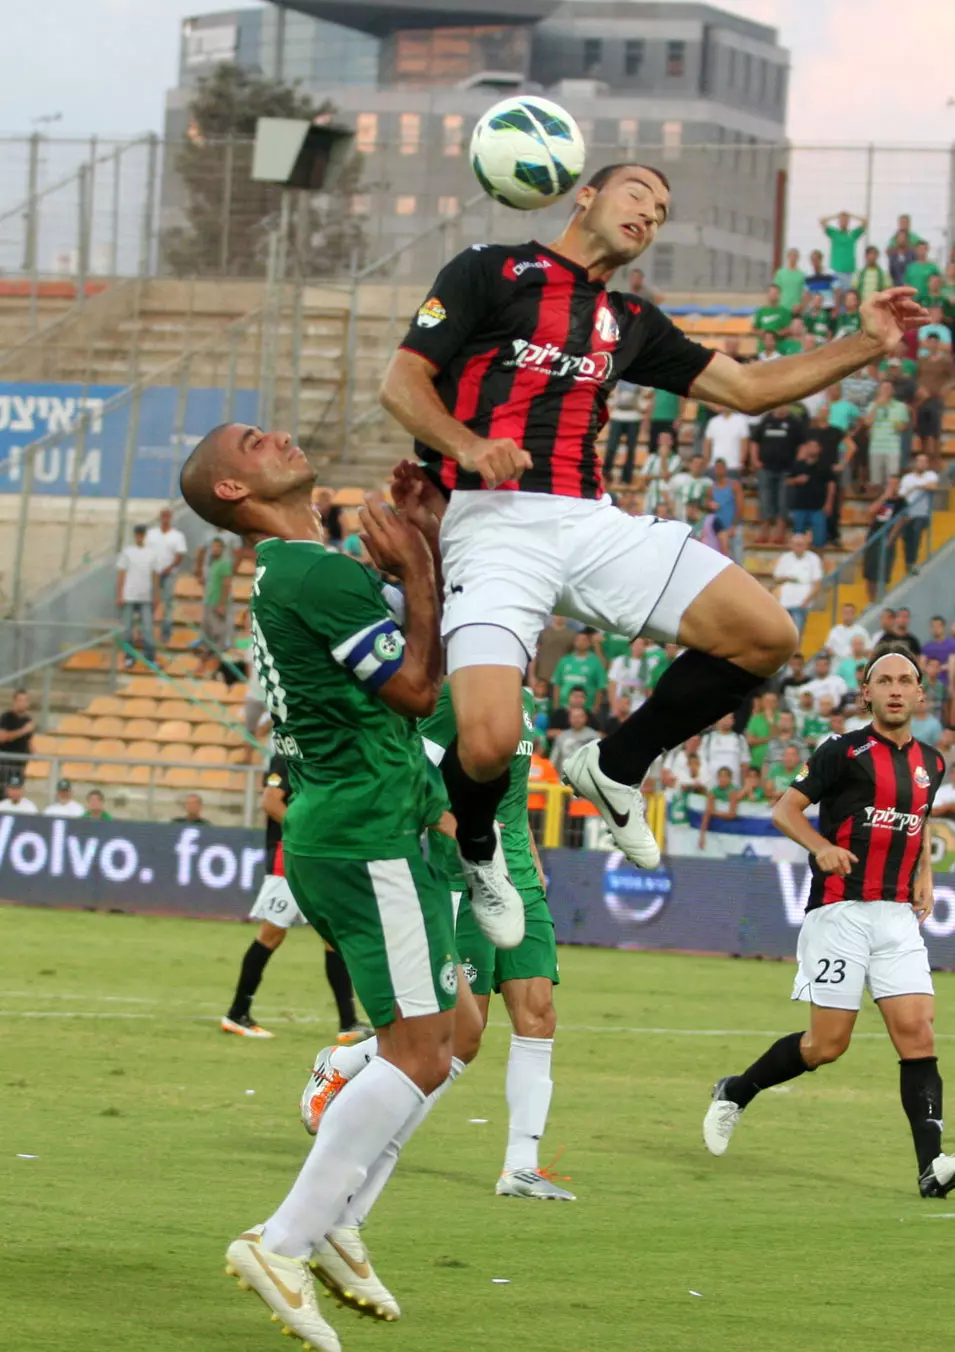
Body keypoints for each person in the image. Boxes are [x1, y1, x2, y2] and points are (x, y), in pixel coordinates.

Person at [378, 158, 923, 890]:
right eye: (638, 193)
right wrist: (467, 446)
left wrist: (864, 344)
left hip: (592, 523)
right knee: (486, 744)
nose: (650, 213)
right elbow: (402, 382)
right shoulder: (490, 271)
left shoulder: (629, 322)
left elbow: (747, 388)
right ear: (586, 195)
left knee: (767, 636)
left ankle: (612, 765)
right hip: (494, 524)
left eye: (662, 210)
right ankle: (477, 846)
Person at [180, 423, 488, 1349]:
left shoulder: (301, 574)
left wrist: (412, 567)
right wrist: (422, 574)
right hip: (363, 830)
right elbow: (415, 688)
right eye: (250, 441)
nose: (272, 434)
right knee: (421, 1050)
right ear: (234, 490)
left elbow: (395, 680)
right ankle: (282, 1240)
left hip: (370, 818)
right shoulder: (312, 572)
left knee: (458, 1031)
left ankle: (339, 1217)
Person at [702, 646, 955, 1201]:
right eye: (882, 680)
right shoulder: (842, 750)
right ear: (865, 694)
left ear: (919, 693)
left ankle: (931, 1166)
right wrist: (819, 847)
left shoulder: (932, 762)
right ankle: (737, 1090)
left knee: (918, 1034)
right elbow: (783, 809)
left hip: (896, 917)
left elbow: (917, 823)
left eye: (904, 680)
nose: (893, 688)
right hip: (839, 912)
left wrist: (924, 874)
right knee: (827, 1045)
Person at [221, 754, 369, 1045]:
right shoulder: (287, 756)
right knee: (271, 934)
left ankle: (348, 1022)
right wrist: (311, 832)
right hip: (288, 858)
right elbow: (271, 802)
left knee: (333, 936)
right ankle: (237, 1013)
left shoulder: (321, 753)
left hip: (317, 858)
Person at [750, 405, 804, 543]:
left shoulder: (794, 422)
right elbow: (755, 441)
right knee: (765, 500)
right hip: (766, 469)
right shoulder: (765, 421)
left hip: (786, 470)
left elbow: (803, 444)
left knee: (783, 501)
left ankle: (780, 533)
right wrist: (755, 460)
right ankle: (764, 531)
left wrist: (797, 463)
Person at [116, 524, 158, 667]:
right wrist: (120, 594)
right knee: (127, 629)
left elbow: (155, 575)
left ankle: (150, 657)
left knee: (147, 627)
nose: (140, 536)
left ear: (144, 535)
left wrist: (156, 595)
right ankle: (129, 657)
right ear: (135, 535)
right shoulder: (127, 552)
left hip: (145, 596)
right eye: (138, 534)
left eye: (142, 534)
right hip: (129, 595)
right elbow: (121, 574)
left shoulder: (151, 553)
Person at [145, 507, 188, 646]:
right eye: (163, 516)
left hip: (169, 575)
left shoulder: (177, 536)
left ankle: (165, 633)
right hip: (152, 574)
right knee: (150, 603)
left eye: (167, 516)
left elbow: (180, 555)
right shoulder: (151, 534)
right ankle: (147, 633)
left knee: (167, 604)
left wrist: (168, 569)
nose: (165, 519)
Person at [863, 476, 906, 602]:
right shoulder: (881, 498)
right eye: (890, 484)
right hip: (873, 537)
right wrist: (884, 497)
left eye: (895, 484)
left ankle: (881, 599)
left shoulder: (902, 502)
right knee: (869, 572)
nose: (892, 486)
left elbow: (901, 521)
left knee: (883, 571)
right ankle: (871, 601)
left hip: (887, 539)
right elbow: (870, 512)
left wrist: (890, 539)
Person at [773, 532, 823, 638]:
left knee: (796, 635)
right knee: (782, 635)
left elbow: (817, 584)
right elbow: (777, 578)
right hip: (784, 603)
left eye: (801, 545)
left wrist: (806, 602)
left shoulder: (813, 559)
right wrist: (790, 578)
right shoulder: (785, 558)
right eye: (796, 544)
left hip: (801, 603)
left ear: (806, 545)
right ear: (791, 545)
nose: (799, 547)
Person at [915, 334, 955, 466]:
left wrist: (945, 389)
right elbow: (917, 377)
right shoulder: (922, 360)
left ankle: (936, 459)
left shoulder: (946, 361)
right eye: (930, 342)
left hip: (936, 398)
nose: (932, 345)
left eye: (935, 342)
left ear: (938, 344)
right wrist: (920, 389)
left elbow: (952, 378)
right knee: (923, 431)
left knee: (935, 431)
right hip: (922, 399)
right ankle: (924, 459)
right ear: (926, 344)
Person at [899, 451, 939, 571]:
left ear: (927, 464)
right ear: (915, 463)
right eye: (919, 461)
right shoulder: (907, 478)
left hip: (922, 512)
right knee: (907, 536)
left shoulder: (931, 475)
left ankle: (912, 562)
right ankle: (909, 561)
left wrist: (915, 486)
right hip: (908, 509)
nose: (922, 464)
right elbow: (902, 493)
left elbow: (933, 486)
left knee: (916, 533)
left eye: (924, 462)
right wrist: (921, 485)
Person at [551, 631, 607, 712]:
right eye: (578, 639)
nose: (580, 642)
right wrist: (556, 706)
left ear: (589, 643)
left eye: (583, 640)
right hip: (564, 707)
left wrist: (596, 707)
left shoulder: (596, 662)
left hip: (587, 709)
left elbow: (600, 686)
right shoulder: (564, 660)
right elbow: (557, 684)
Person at [198, 536, 233, 664]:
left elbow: (226, 584)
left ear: (222, 549)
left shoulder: (225, 563)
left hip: (217, 603)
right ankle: (208, 657)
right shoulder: (213, 563)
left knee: (218, 632)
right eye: (212, 547)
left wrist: (222, 604)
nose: (213, 549)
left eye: (216, 547)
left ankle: (218, 659)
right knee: (207, 631)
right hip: (209, 601)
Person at [602, 379, 642, 484]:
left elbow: (646, 394)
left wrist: (641, 406)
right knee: (611, 447)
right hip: (617, 416)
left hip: (634, 417)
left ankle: (627, 478)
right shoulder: (617, 377)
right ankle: (606, 474)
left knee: (631, 450)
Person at [820, 211, 867, 291]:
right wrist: (837, 215)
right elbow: (822, 221)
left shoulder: (852, 234)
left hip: (849, 271)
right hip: (836, 270)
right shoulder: (834, 233)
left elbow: (865, 222)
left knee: (848, 296)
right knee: (837, 296)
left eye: (845, 220)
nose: (844, 222)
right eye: (842, 220)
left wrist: (850, 215)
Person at [0, 688, 35, 788]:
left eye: (25, 700)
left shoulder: (27, 720)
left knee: (17, 791)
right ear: (14, 702)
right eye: (20, 700)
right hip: (6, 764)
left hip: (21, 764)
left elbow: (28, 741)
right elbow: (2, 737)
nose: (23, 703)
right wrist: (23, 730)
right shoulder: (6, 717)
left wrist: (34, 753)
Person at [697, 765, 737, 848]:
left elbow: (732, 814)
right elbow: (707, 814)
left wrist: (713, 812)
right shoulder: (713, 792)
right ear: (717, 778)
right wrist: (702, 837)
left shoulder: (733, 791)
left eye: (725, 776)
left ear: (730, 778)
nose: (723, 779)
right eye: (721, 776)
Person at [703, 407, 750, 476]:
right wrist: (707, 462)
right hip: (714, 466)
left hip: (733, 466)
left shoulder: (741, 421)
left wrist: (741, 463)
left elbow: (744, 444)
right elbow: (707, 444)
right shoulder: (713, 421)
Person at [752, 283, 792, 349]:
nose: (773, 295)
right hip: (763, 348)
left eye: (775, 293)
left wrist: (777, 334)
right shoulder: (760, 311)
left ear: (779, 295)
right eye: (771, 293)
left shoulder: (784, 311)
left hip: (779, 348)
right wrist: (762, 333)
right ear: (767, 294)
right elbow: (753, 329)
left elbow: (789, 329)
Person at [904, 242, 941, 307]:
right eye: (920, 249)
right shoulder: (910, 267)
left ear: (927, 250)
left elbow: (938, 284)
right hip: (914, 302)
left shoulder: (933, 267)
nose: (922, 251)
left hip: (928, 303)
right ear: (916, 250)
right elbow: (906, 285)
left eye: (924, 249)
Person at [773, 248, 806, 312]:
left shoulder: (802, 275)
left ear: (798, 258)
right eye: (791, 256)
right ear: (788, 257)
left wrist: (801, 306)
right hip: (782, 307)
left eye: (795, 256)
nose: (793, 258)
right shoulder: (780, 273)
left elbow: (804, 293)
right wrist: (776, 305)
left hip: (796, 309)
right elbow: (775, 290)